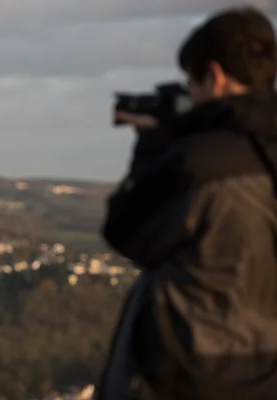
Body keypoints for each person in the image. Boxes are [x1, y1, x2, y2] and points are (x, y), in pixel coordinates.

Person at [96, 6, 277, 400]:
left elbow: (126, 230)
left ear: (215, 76)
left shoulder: (203, 164)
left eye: (191, 85)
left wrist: (155, 147)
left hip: (188, 375)